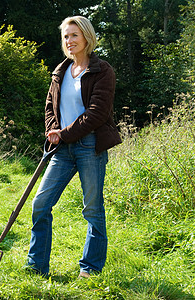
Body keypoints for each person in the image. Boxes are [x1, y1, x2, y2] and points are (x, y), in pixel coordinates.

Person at [24, 16, 122, 279]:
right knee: (41, 204)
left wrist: (64, 133)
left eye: (74, 35)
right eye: (66, 36)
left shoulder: (103, 71)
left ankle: (90, 268)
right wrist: (52, 129)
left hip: (90, 146)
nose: (69, 41)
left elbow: (97, 113)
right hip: (62, 150)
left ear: (87, 38)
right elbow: (49, 105)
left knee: (92, 207)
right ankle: (37, 265)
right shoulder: (60, 71)